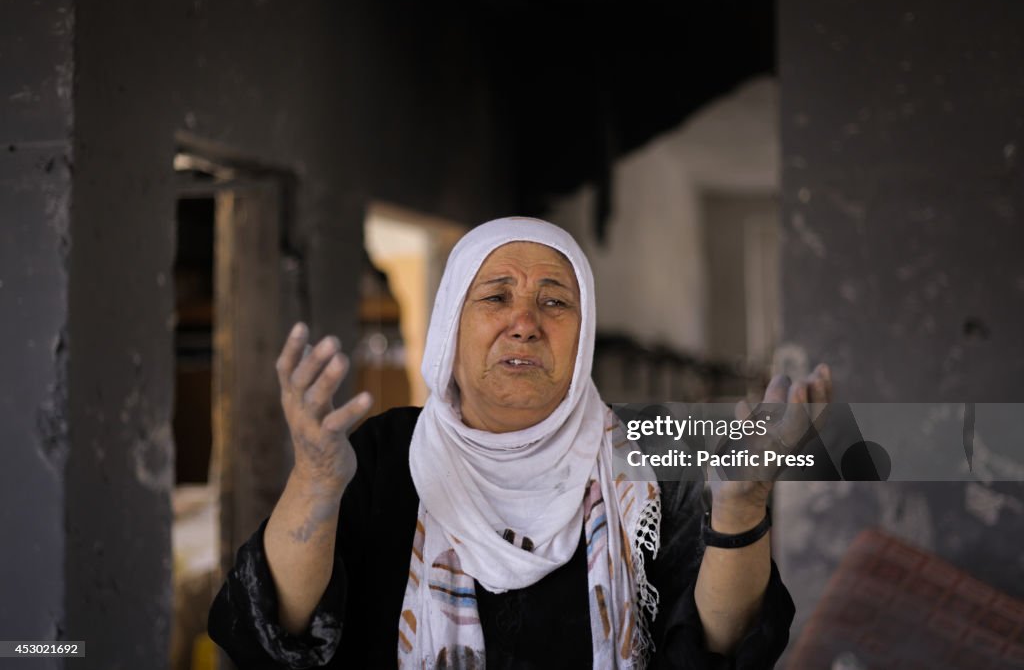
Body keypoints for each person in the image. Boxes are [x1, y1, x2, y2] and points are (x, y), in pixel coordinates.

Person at [208, 217, 831, 668]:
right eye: (497, 297)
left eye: (554, 301)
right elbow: (271, 634)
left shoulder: (650, 454)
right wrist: (314, 484)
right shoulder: (382, 454)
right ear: (452, 323)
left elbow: (723, 651)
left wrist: (742, 510)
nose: (526, 323)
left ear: (582, 338)